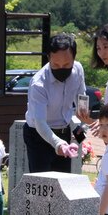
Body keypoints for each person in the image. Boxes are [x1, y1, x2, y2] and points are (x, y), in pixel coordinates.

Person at [25, 33, 89, 173]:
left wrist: (76, 140)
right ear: (48, 58)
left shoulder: (78, 70)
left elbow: (82, 111)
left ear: (74, 58)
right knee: (42, 184)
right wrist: (58, 144)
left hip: (64, 131)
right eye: (56, 64)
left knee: (63, 183)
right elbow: (40, 123)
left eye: (66, 64)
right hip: (38, 134)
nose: (61, 68)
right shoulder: (39, 84)